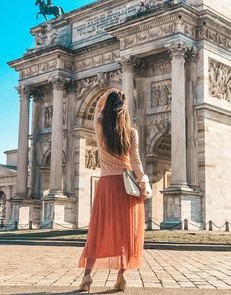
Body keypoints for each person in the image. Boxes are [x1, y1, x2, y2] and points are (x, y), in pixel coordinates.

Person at [78, 89, 150, 292]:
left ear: (108, 108)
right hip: (127, 186)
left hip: (107, 186)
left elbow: (98, 109)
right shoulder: (131, 133)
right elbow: (136, 162)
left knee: (97, 231)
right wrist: (143, 184)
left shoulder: (100, 126)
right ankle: (121, 277)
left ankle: (87, 277)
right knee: (127, 233)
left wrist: (110, 92)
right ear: (124, 109)